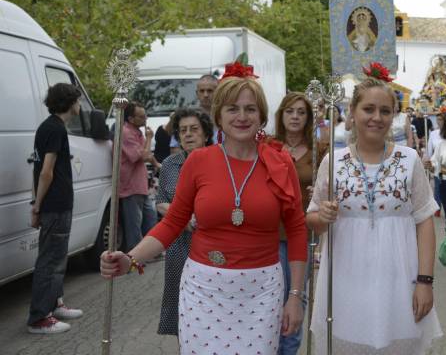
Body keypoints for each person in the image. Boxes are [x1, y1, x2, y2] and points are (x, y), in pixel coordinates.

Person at [100, 61, 307, 354]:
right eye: (232, 108)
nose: (242, 116)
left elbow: (297, 230)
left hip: (261, 291)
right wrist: (131, 259)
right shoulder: (199, 161)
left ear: (261, 115)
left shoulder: (280, 162)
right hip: (204, 290)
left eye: (250, 109)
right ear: (219, 116)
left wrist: (295, 296)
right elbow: (172, 223)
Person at [306, 69, 442, 354]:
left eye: (385, 111)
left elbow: (424, 221)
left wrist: (425, 282)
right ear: (352, 112)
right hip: (346, 277)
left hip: (399, 277)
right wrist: (324, 217)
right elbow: (313, 220)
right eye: (368, 109)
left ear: (394, 116)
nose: (376, 117)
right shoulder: (333, 161)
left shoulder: (409, 159)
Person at [27, 83, 84, 334]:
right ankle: (39, 318)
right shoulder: (54, 129)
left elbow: (37, 168)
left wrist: (36, 203)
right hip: (55, 204)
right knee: (50, 261)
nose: (80, 105)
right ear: (70, 102)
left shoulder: (50, 126)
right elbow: (46, 172)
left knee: (57, 257)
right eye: (78, 100)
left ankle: (55, 303)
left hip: (56, 203)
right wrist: (37, 206)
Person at [274, 92, 328, 355]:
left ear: (308, 118)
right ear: (281, 115)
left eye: (301, 112)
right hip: (269, 234)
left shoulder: (320, 151)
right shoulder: (268, 148)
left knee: (296, 297)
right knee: (273, 299)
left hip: (302, 234)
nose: (295, 117)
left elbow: (330, 190)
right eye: (290, 111)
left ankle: (289, 350)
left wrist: (318, 192)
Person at [155, 108, 213, 337]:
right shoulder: (169, 164)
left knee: (210, 307)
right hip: (179, 245)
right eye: (183, 131)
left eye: (194, 129)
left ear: (206, 133)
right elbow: (160, 202)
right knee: (182, 306)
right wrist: (184, 218)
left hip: (210, 244)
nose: (188, 135)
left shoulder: (218, 160)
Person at [119, 101, 157, 252]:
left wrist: (157, 164)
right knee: (134, 225)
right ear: (130, 119)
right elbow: (142, 155)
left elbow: (147, 155)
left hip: (140, 184)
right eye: (141, 116)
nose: (145, 118)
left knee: (151, 216)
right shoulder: (126, 133)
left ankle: (150, 251)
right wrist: (149, 138)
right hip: (130, 186)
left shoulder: (136, 131)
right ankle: (134, 258)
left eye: (145, 115)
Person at [426, 113, 445, 214]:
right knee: (437, 185)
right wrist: (429, 160)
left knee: (445, 186)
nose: (439, 121)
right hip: (436, 162)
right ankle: (437, 207)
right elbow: (430, 147)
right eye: (438, 119)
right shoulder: (433, 133)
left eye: (441, 119)